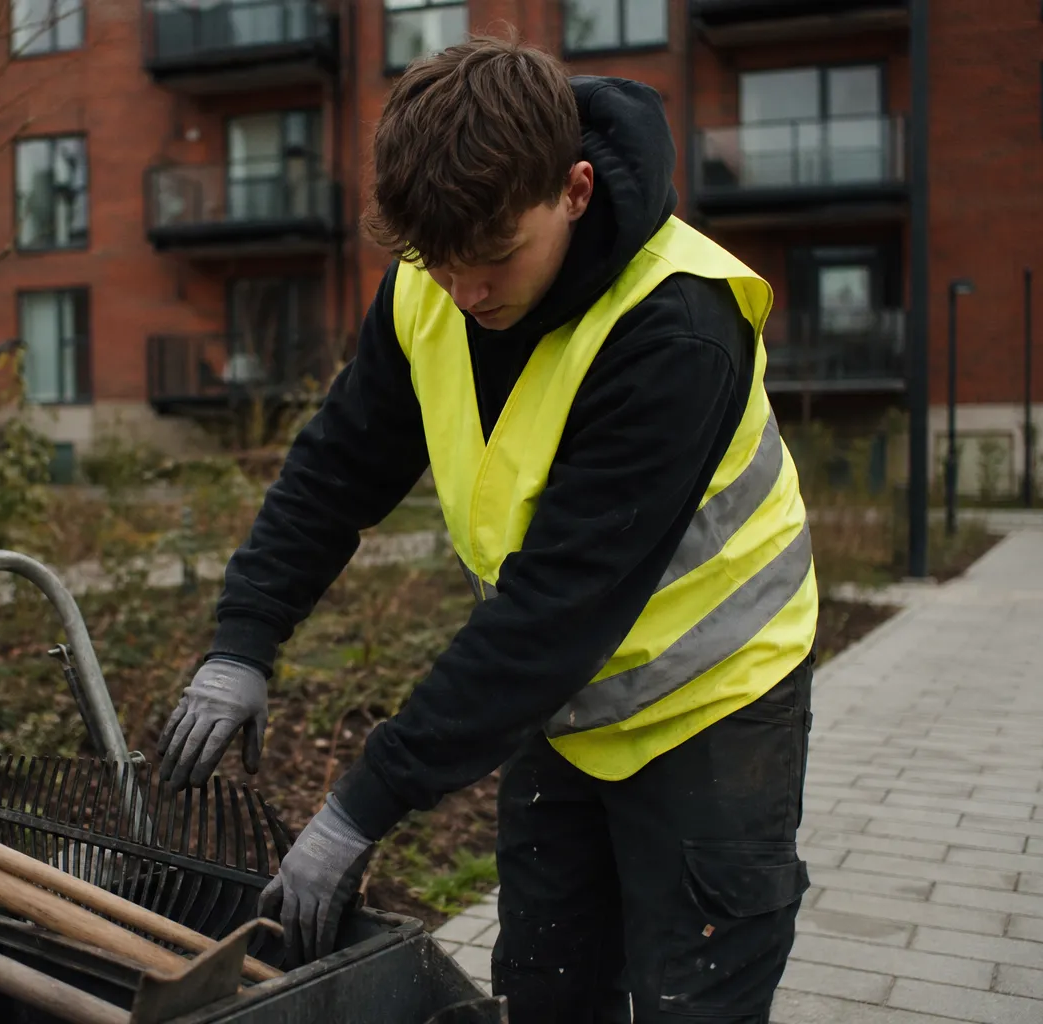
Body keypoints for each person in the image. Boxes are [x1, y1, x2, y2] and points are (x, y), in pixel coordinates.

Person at [155, 35, 819, 1024]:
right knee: (549, 991)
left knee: (694, 1002)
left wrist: (360, 805)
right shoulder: (438, 271)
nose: (465, 293)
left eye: (496, 258)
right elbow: (340, 465)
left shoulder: (677, 327)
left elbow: (556, 608)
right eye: (439, 263)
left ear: (578, 190)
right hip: (565, 707)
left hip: (711, 713)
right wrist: (244, 638)